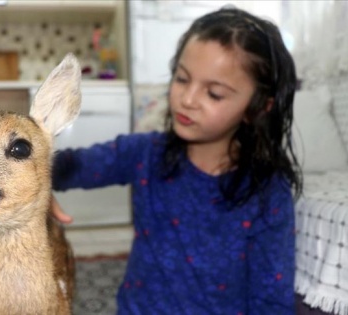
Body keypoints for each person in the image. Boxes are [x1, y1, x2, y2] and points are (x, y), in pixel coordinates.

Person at [52, 7, 302, 315]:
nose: (187, 99)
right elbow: (66, 166)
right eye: (182, 79)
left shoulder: (268, 193)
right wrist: (33, 183)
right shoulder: (145, 153)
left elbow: (271, 300)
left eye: (214, 93)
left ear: (257, 108)